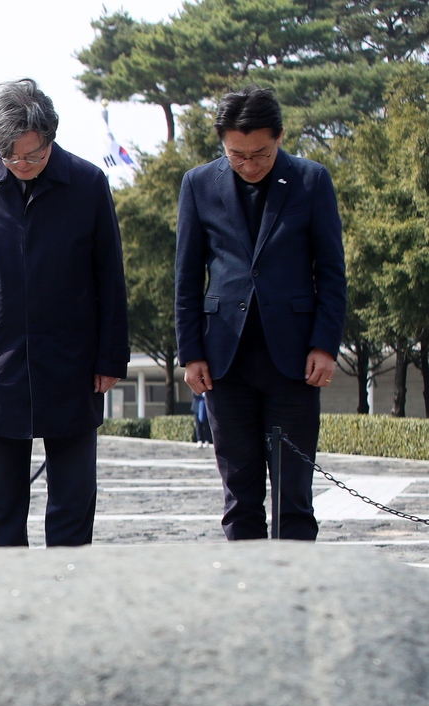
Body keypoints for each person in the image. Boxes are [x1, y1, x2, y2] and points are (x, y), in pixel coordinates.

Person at [0, 78, 129, 547]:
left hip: (73, 362)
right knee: (0, 507)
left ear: (52, 137)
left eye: (34, 155)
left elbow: (110, 277)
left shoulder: (87, 183)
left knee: (72, 502)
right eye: (12, 157)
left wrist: (110, 357)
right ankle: (11, 601)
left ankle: (65, 600)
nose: (23, 166)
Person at [175, 85, 345, 540]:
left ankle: (293, 598)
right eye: (236, 155)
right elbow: (187, 278)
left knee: (294, 497)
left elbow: (331, 272)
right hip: (223, 363)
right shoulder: (197, 184)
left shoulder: (312, 181)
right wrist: (190, 353)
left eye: (260, 154)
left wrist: (325, 344)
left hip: (294, 363)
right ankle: (249, 596)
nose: (249, 165)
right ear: (223, 144)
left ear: (280, 137)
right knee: (240, 495)